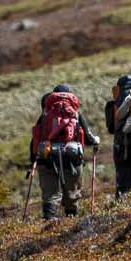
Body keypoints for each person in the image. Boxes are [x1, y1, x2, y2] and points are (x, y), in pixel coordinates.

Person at [29, 84, 100, 219]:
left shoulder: (45, 114)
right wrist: (96, 140)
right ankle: (70, 219)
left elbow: (36, 138)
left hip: (47, 156)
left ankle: (49, 222)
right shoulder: (75, 114)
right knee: (72, 192)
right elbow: (89, 138)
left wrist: (33, 159)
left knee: (50, 193)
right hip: (71, 157)